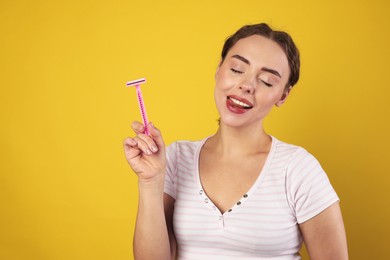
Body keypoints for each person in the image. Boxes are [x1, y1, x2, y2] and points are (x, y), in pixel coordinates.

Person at [124, 23, 348, 260]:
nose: (246, 86)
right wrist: (150, 181)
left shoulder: (298, 169)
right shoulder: (177, 158)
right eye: (237, 69)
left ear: (283, 95)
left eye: (267, 81)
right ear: (218, 70)